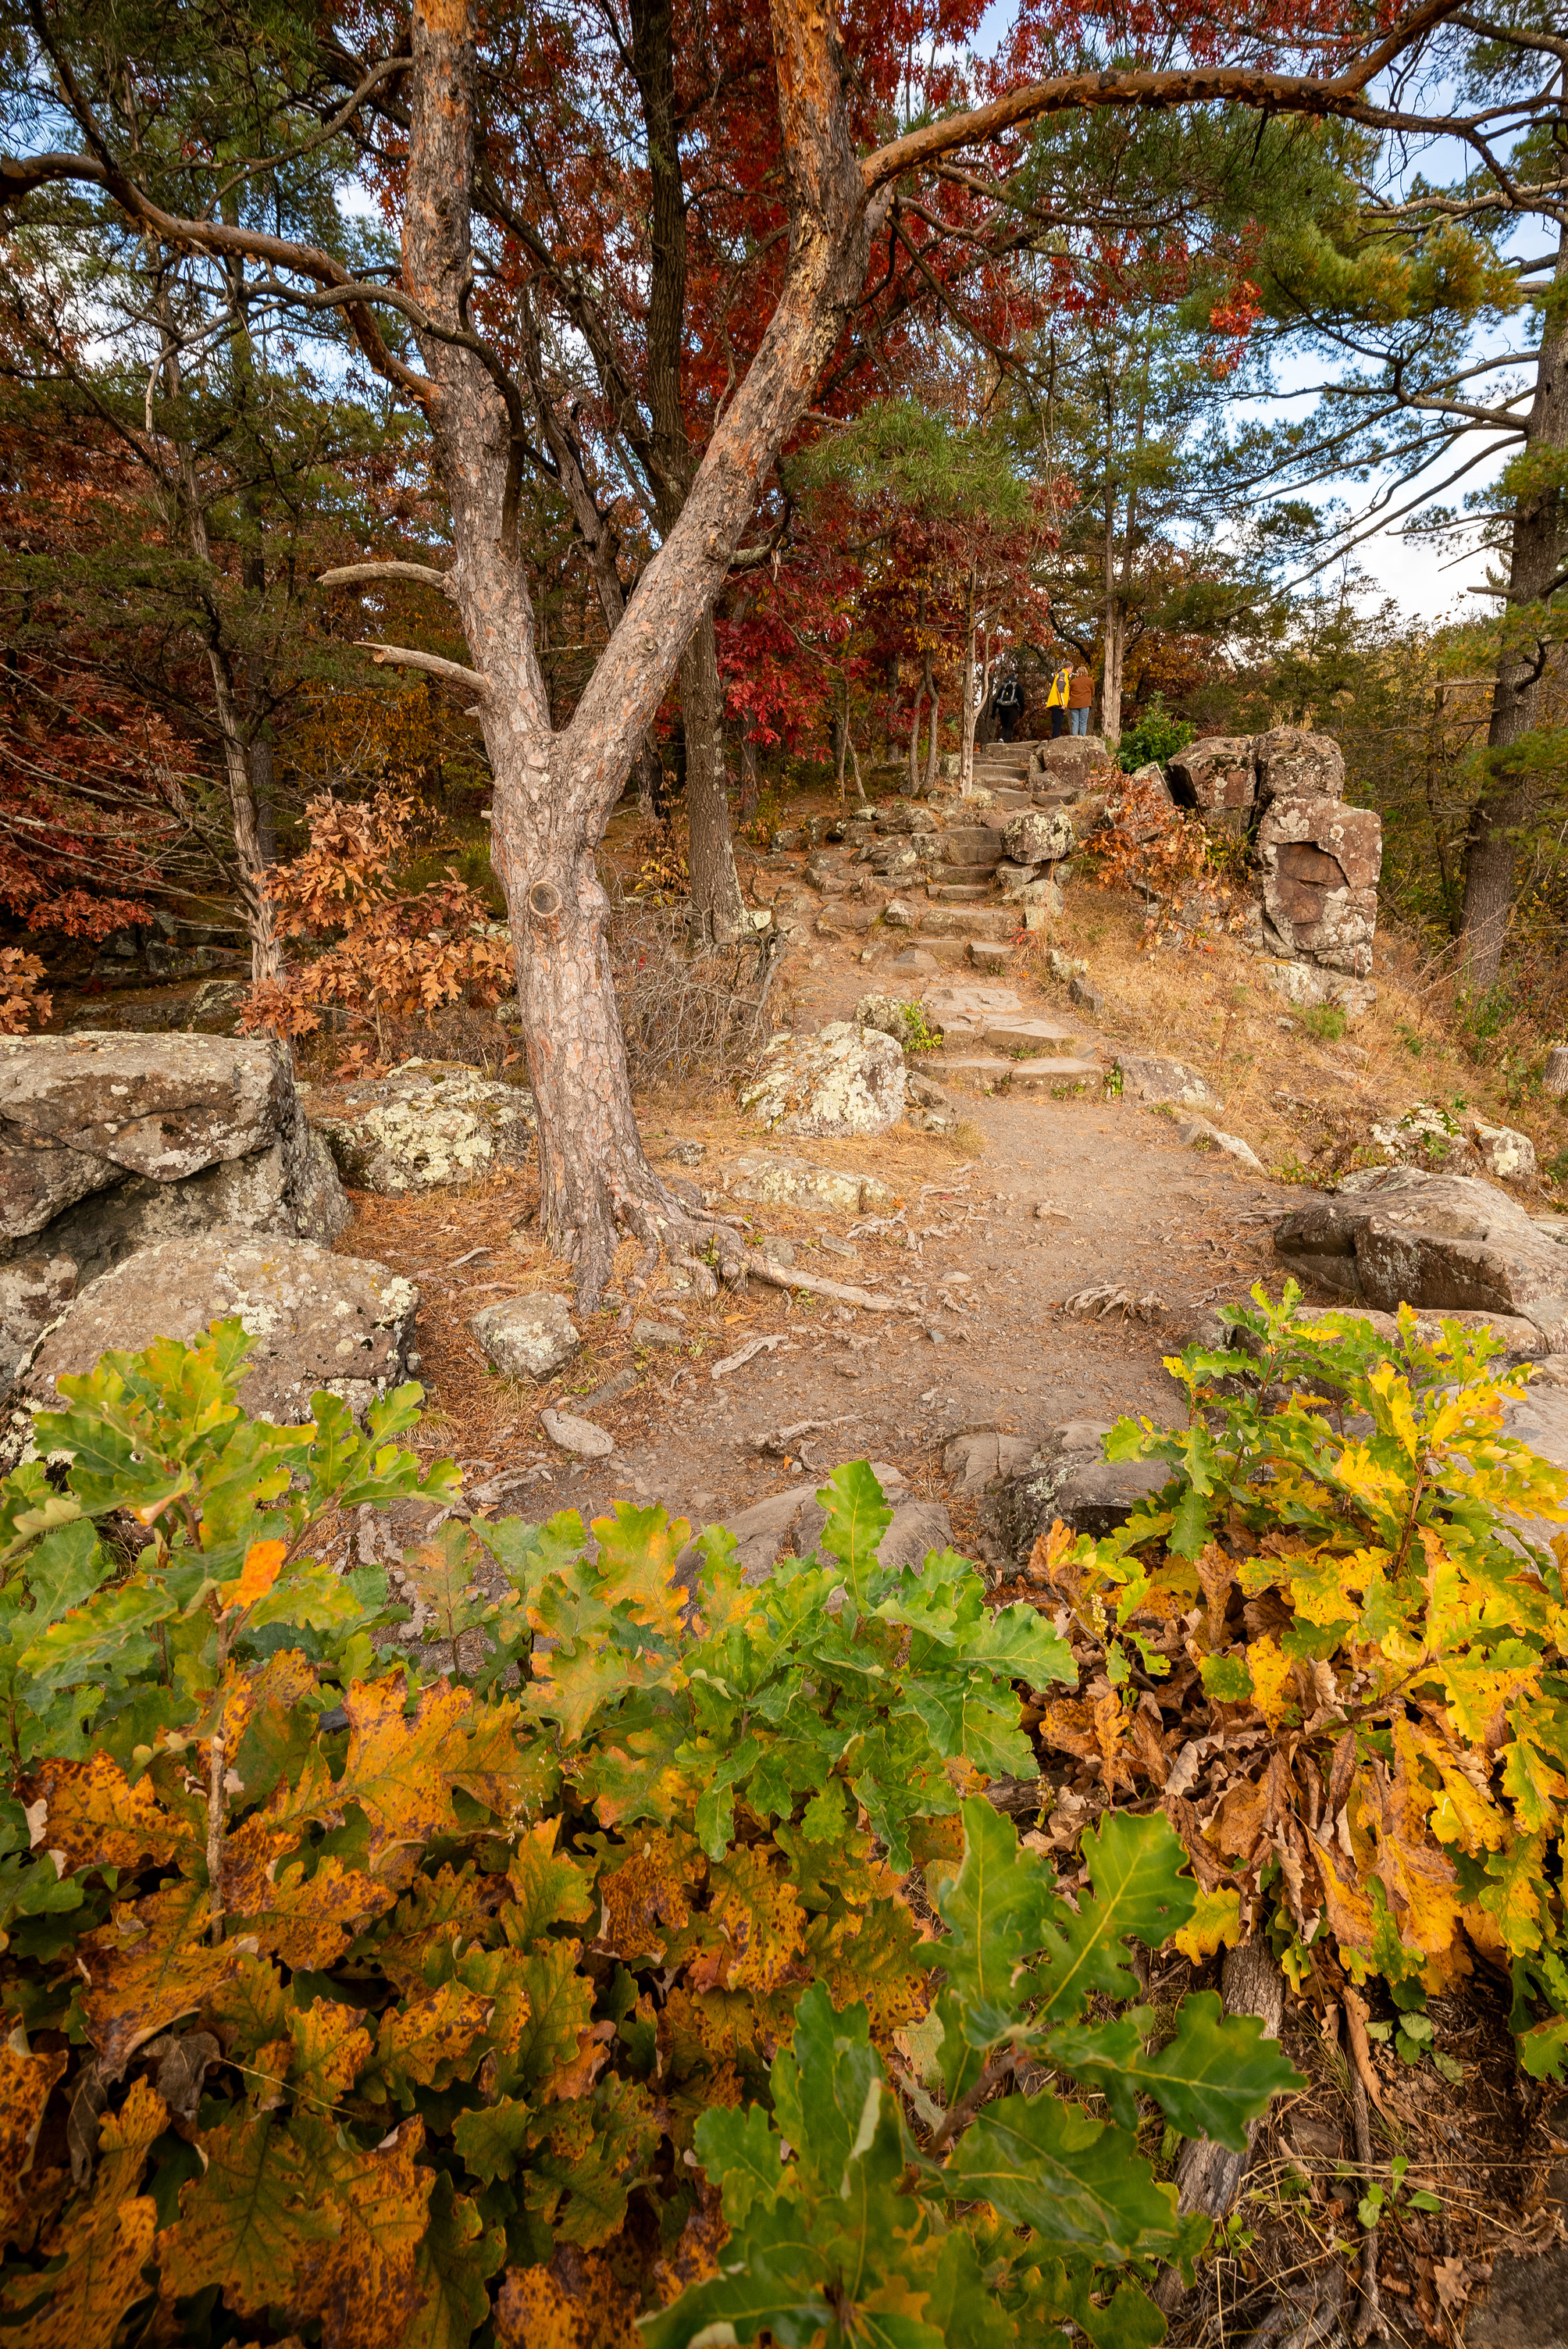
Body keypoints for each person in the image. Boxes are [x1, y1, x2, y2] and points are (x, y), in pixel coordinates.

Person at [1044, 655, 1071, 740]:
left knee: (1057, 725)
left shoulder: (1063, 675)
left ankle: (1054, 741)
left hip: (1057, 703)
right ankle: (1054, 743)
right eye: (1072, 669)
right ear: (1069, 668)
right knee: (1057, 725)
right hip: (1058, 704)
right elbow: (1061, 690)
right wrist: (1063, 704)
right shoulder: (1062, 675)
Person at [992, 668, 1022, 742]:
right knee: (1009, 726)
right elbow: (1022, 700)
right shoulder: (1017, 687)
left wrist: (993, 713)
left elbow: (996, 700)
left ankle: (1001, 738)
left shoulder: (1003, 687)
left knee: (1004, 725)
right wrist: (1021, 712)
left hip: (1002, 708)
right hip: (1013, 708)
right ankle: (1007, 743)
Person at [1067, 661, 1093, 736]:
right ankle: (1082, 740)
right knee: (1083, 723)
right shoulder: (1090, 681)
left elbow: (1070, 693)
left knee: (1075, 723)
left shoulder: (1073, 682)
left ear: (1078, 672)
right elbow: (1093, 693)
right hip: (1085, 704)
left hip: (1074, 704)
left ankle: (1074, 740)